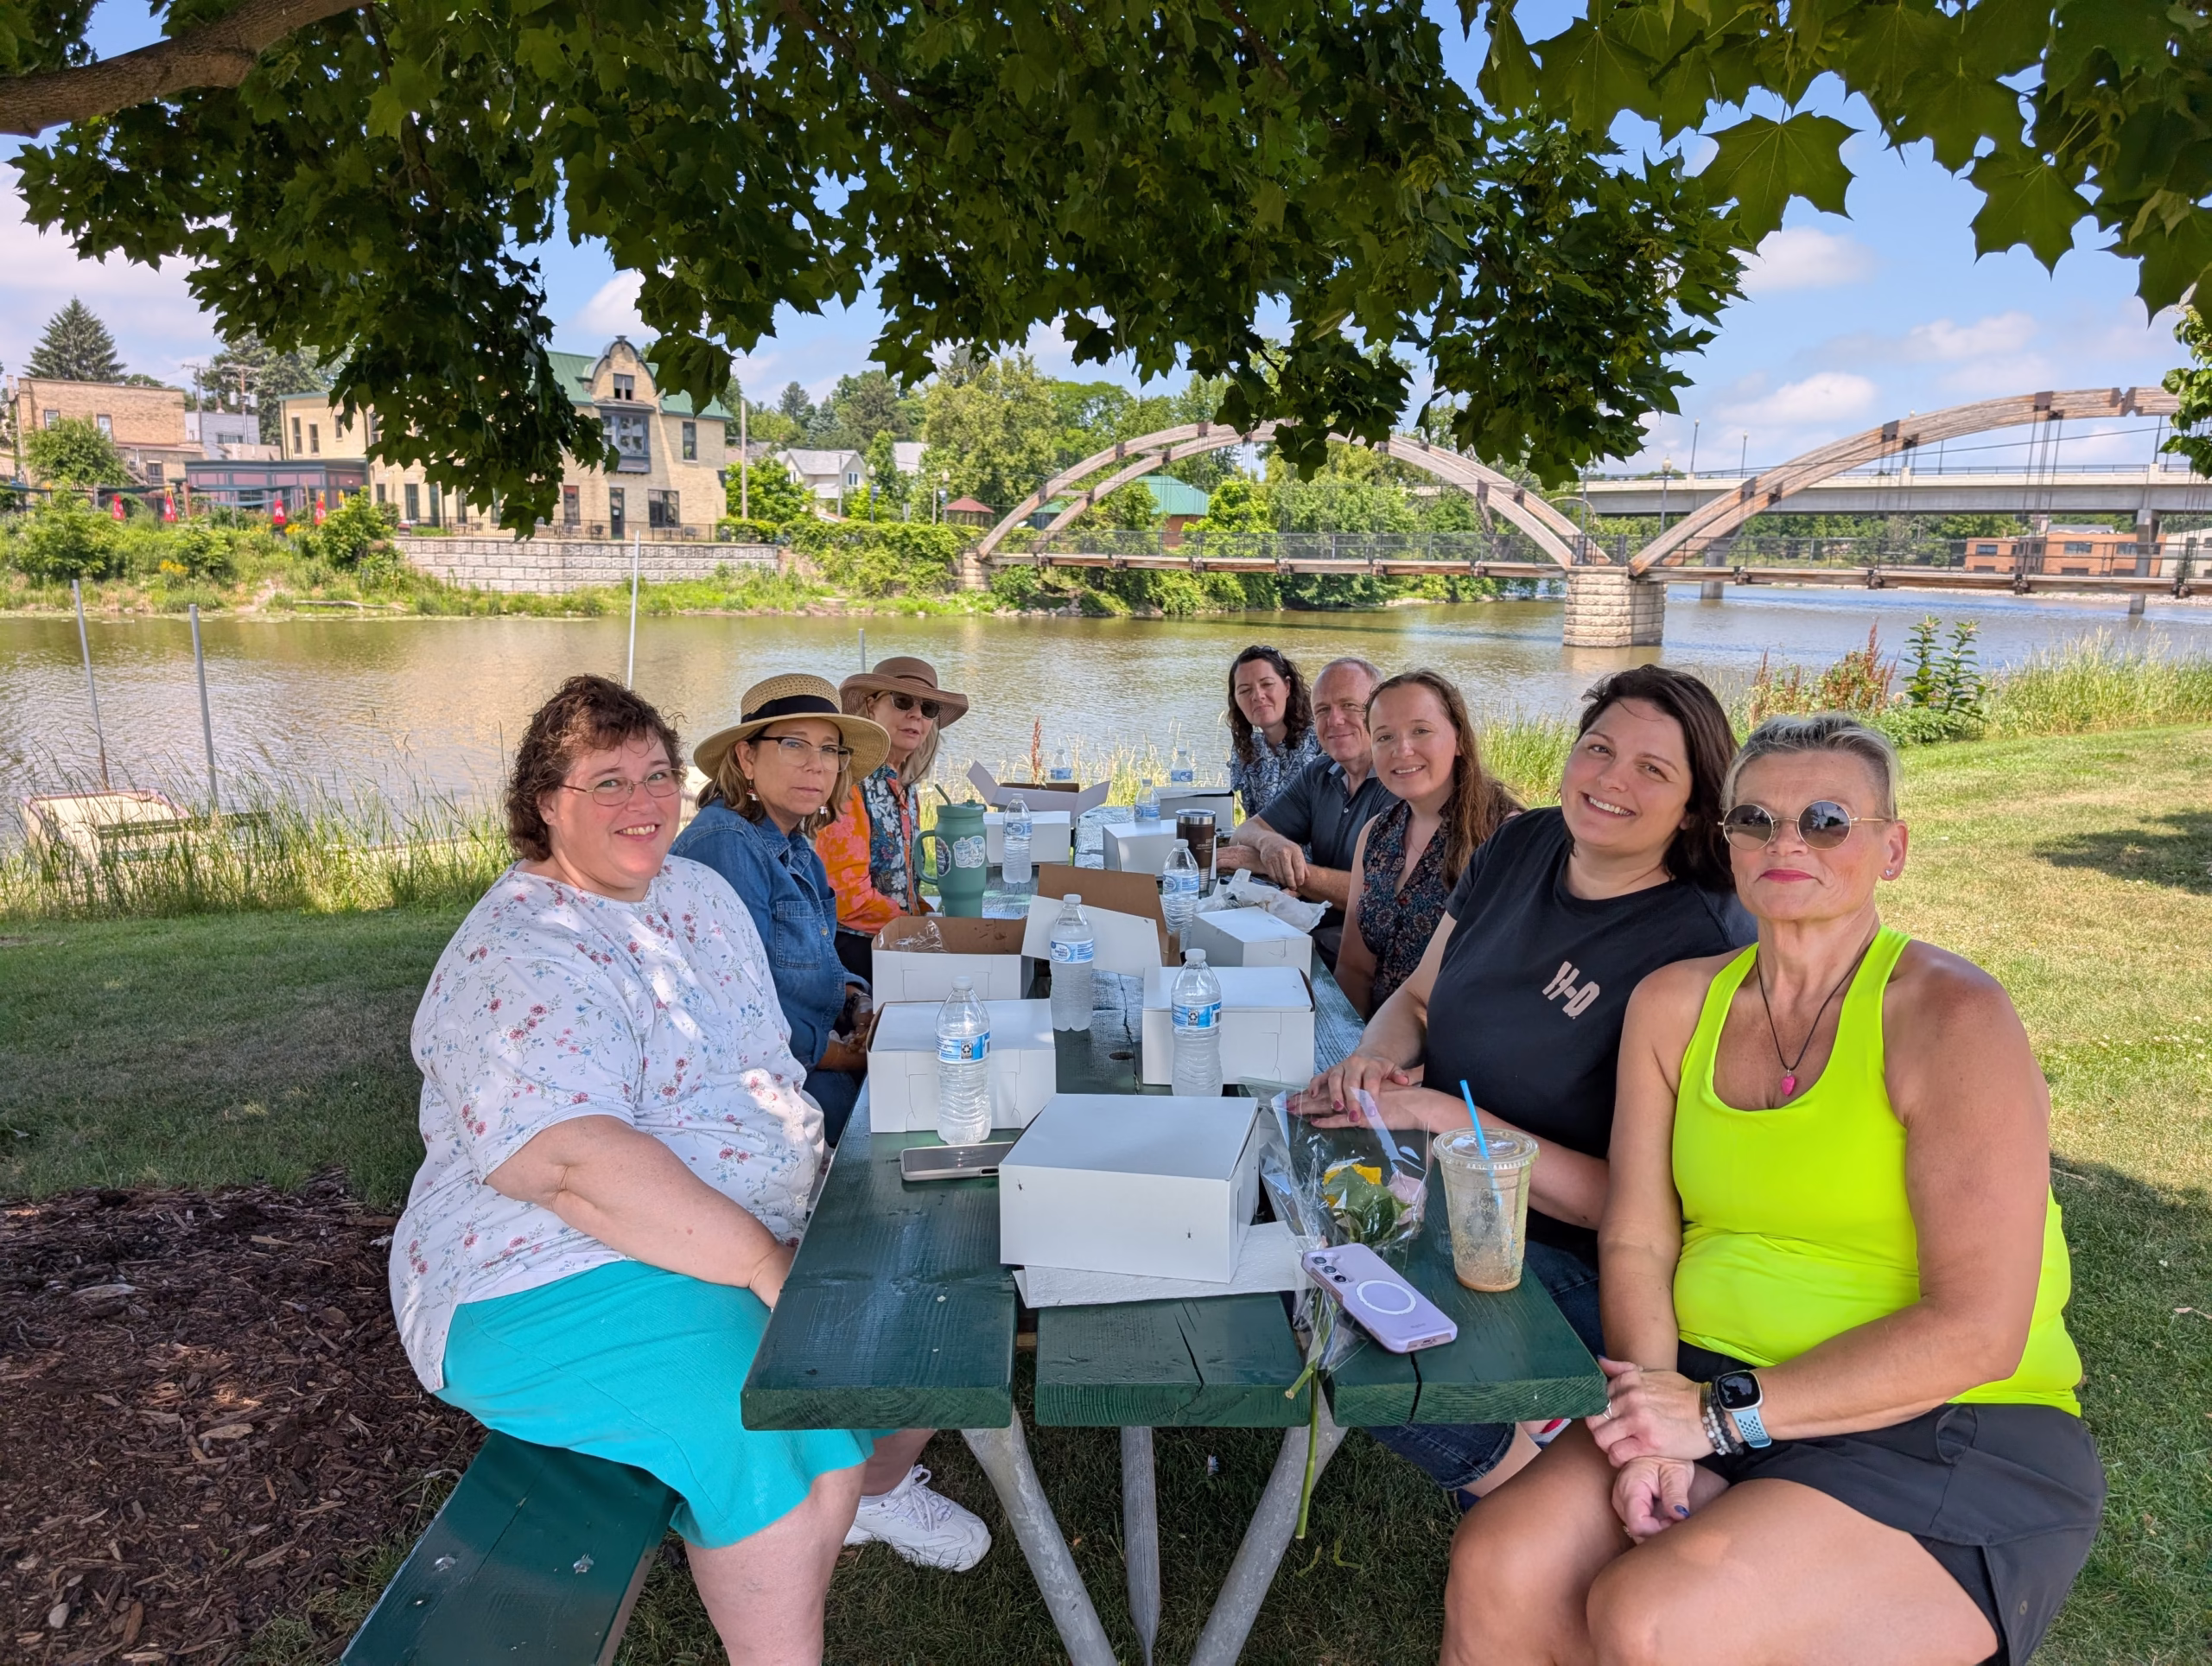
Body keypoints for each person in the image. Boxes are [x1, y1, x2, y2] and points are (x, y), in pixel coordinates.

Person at [1442, 714, 2103, 1666]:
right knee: (1498, 1559)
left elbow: (1977, 1330)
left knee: (1652, 1616)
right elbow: (1636, 1239)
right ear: (1728, 843)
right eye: (1756, 818)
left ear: (1892, 848)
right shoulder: (1674, 1004)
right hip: (1705, 1386)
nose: (1786, 841)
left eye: (1827, 819)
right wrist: (1655, 1428)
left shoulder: (1951, 1016)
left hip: (1944, 1425)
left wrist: (1714, 1418)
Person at [390, 677, 985, 1666]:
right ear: (546, 802)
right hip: (542, 1266)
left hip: (711, 1223)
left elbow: (760, 1058)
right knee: (774, 1423)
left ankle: (867, 1495)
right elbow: (572, 1162)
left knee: (925, 1295)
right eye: (607, 781)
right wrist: (762, 1258)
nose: (644, 801)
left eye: (658, 774)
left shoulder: (693, 891)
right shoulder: (523, 945)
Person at [1302, 665, 1753, 1504]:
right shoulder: (1520, 844)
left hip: (1574, 1256)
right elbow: (1419, 995)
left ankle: (1526, 1476)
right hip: (1444, 1189)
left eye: (1651, 769)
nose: (1610, 778)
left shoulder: (1701, 946)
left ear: (1695, 805)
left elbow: (1639, 1207)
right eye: (1598, 748)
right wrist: (1372, 1058)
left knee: (1342, 1318)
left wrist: (1445, 1118)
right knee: (1287, 1232)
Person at [670, 674, 887, 1148]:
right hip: (767, 1087)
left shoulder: (797, 847)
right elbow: (749, 1017)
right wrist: (857, 1058)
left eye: (830, 750)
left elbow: (818, 958)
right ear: (746, 758)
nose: (817, 765)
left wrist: (858, 1000)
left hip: (816, 1054)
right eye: (795, 745)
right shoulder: (725, 844)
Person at [1333, 669, 1518, 1016]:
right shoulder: (1376, 834)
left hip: (1456, 1058)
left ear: (1460, 739)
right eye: (1385, 737)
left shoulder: (1507, 837)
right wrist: (1348, 1048)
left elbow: (1510, 993)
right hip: (1374, 1049)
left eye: (1421, 731)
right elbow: (1354, 969)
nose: (1402, 750)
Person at [1217, 656, 1390, 967]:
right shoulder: (1321, 772)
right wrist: (1271, 844)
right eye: (1322, 710)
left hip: (1369, 951)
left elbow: (1378, 896)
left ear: (1380, 710)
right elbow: (1246, 831)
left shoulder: (1400, 782)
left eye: (1350, 705)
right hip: (1313, 925)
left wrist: (1275, 866)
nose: (1334, 720)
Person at [818, 656, 970, 982]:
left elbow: (906, 887)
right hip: (858, 957)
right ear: (871, 707)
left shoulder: (903, 785)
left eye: (928, 708)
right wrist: (923, 929)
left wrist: (930, 920)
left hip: (898, 941)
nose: (916, 714)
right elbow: (848, 900)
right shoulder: (849, 784)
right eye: (902, 701)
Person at [1224, 643, 1320, 819]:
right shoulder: (1247, 751)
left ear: (1287, 687)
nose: (1257, 696)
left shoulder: (1320, 741)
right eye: (1245, 690)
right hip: (1263, 846)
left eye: (1267, 684)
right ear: (1236, 701)